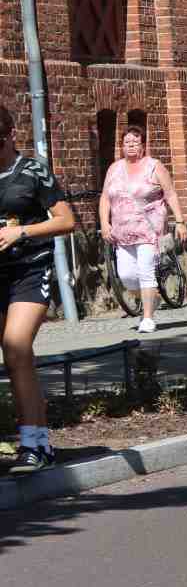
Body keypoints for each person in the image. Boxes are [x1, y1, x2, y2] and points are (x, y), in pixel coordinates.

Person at [0, 105, 76, 475]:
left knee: (16, 346)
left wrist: (22, 231)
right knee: (17, 359)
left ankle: (36, 445)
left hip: (30, 271)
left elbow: (66, 220)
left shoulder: (32, 170)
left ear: (10, 133)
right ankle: (25, 436)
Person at [99, 125, 187, 333]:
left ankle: (147, 318)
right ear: (122, 146)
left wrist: (180, 221)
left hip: (149, 230)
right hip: (122, 232)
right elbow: (105, 198)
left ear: (143, 145)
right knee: (127, 276)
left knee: (146, 272)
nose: (130, 146)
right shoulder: (114, 169)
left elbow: (171, 194)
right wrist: (105, 223)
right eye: (126, 143)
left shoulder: (154, 166)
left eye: (135, 142)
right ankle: (152, 297)